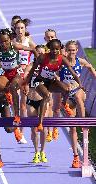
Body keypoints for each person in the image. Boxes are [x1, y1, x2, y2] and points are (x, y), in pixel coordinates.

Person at [24, 39, 82, 131]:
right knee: (46, 96)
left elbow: (74, 73)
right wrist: (26, 83)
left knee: (67, 89)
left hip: (50, 82)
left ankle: (64, 104)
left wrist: (80, 84)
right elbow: (32, 71)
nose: (54, 51)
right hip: (39, 81)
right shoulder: (42, 57)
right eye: (52, 49)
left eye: (56, 49)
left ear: (59, 49)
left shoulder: (62, 59)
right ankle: (40, 123)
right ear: (49, 49)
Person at [60, 40, 96, 168]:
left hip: (79, 91)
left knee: (78, 96)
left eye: (74, 50)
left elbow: (90, 67)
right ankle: (75, 157)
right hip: (68, 95)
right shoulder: (61, 62)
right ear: (66, 50)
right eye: (69, 50)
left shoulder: (80, 61)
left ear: (76, 51)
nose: (72, 52)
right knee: (72, 128)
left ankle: (84, 123)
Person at [13, 18, 36, 144]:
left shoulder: (29, 42)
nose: (20, 30)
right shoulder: (11, 42)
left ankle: (21, 133)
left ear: (25, 29)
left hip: (25, 75)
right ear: (14, 30)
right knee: (13, 102)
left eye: (22, 28)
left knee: (23, 104)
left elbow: (39, 53)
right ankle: (16, 127)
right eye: (17, 28)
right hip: (14, 74)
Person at [23, 45, 48, 163]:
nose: (40, 54)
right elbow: (25, 77)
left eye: (42, 53)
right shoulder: (31, 66)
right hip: (31, 100)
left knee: (43, 127)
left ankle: (43, 151)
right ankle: (36, 152)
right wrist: (26, 85)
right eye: (38, 53)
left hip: (42, 100)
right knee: (33, 129)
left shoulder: (48, 67)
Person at [43, 29, 61, 142]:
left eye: (52, 37)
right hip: (48, 80)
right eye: (48, 37)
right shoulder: (44, 51)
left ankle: (55, 128)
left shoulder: (60, 50)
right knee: (49, 105)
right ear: (45, 39)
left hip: (58, 81)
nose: (50, 39)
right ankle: (49, 131)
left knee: (57, 108)